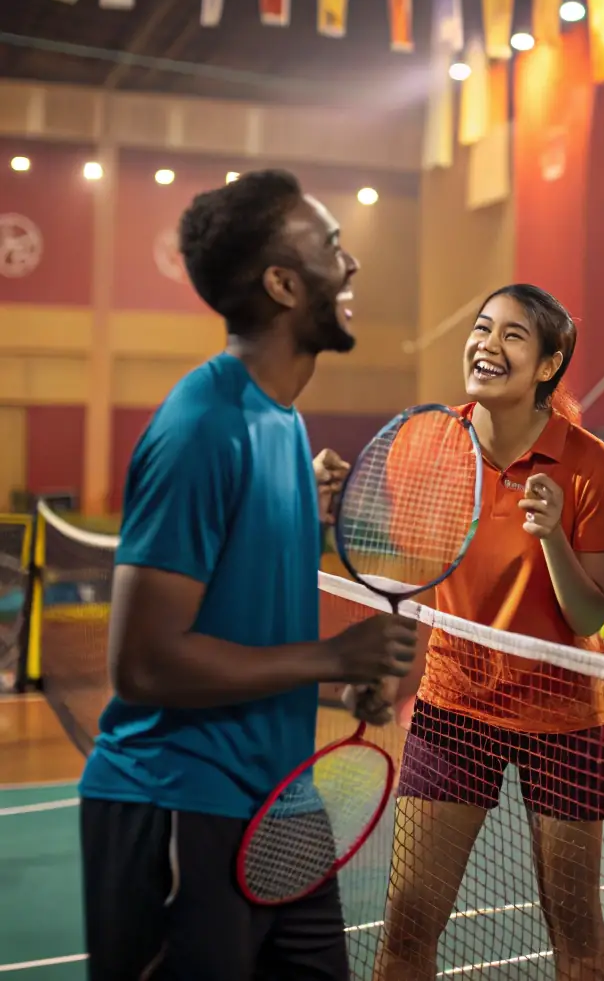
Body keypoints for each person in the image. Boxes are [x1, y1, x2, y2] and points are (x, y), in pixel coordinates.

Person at [79, 170, 418, 981]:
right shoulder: (203, 427)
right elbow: (145, 662)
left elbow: (250, 635)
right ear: (282, 282)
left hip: (283, 799)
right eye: (333, 247)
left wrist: (346, 684)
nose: (352, 266)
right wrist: (336, 658)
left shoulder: (284, 426)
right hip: (181, 802)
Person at [373, 284, 604, 981]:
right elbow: (417, 572)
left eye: (513, 335)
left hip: (564, 714)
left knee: (574, 925)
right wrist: (384, 671)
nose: (488, 343)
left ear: (549, 364)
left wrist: (552, 539)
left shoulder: (591, 465)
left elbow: (590, 617)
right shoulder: (425, 442)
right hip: (455, 702)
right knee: (406, 923)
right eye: (483, 327)